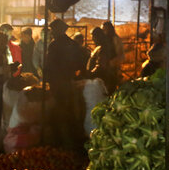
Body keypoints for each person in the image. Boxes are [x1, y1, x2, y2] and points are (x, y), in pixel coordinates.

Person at [43, 19, 89, 150]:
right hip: (69, 81)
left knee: (59, 110)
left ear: (58, 30)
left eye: (52, 30)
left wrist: (46, 78)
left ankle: (62, 142)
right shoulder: (73, 44)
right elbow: (82, 61)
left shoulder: (54, 45)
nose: (51, 32)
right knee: (70, 109)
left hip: (58, 83)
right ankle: (72, 140)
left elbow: (49, 65)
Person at [87, 26, 119, 92]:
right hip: (101, 80)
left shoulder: (103, 48)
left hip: (101, 81)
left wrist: (90, 75)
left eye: (94, 36)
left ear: (98, 36)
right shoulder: (102, 47)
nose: (92, 39)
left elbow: (101, 65)